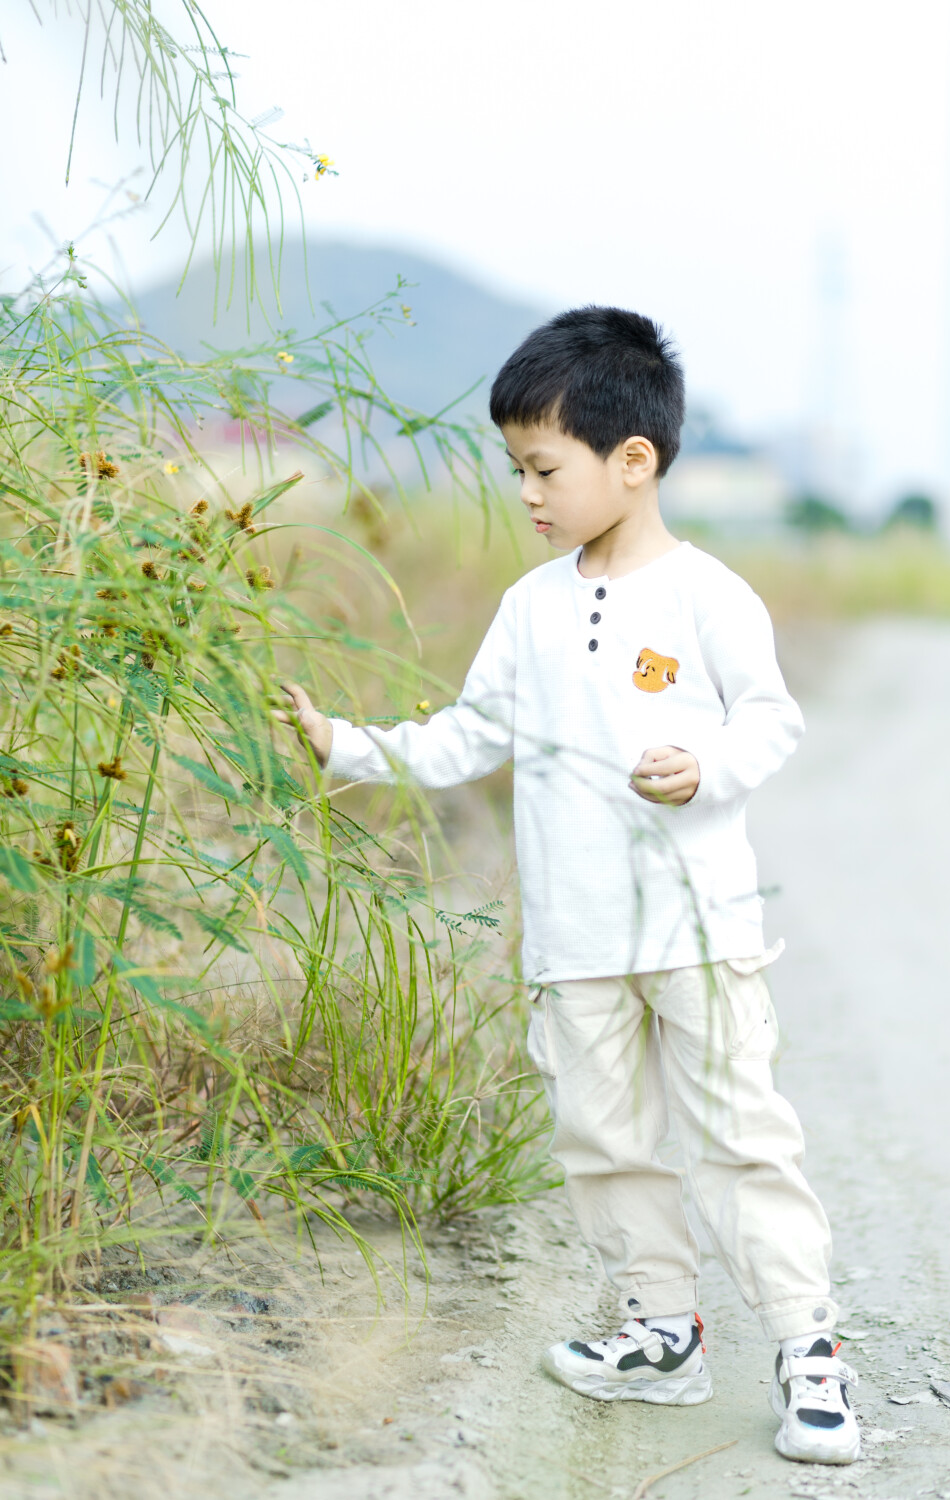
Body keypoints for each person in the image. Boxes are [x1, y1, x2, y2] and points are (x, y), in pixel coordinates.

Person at [276, 307, 860, 1467]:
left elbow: (770, 719)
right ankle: (660, 1332)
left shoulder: (708, 596)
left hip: (695, 927)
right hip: (576, 934)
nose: (528, 495)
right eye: (517, 471)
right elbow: (467, 734)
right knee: (605, 1140)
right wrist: (346, 745)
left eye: (543, 469)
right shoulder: (530, 607)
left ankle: (808, 1349)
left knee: (741, 1138)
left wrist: (708, 769)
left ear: (632, 461)